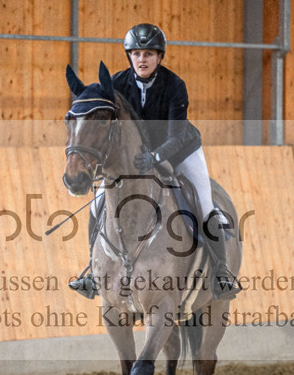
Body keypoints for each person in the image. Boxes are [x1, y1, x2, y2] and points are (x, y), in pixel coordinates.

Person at [68, 23, 240, 300]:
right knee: (98, 203)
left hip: (180, 149)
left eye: (149, 53)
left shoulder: (174, 86)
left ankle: (221, 272)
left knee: (206, 206)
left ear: (159, 57)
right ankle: (92, 272)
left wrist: (156, 157)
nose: (142, 59)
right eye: (136, 53)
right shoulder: (117, 84)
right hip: (137, 158)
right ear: (130, 56)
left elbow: (177, 133)